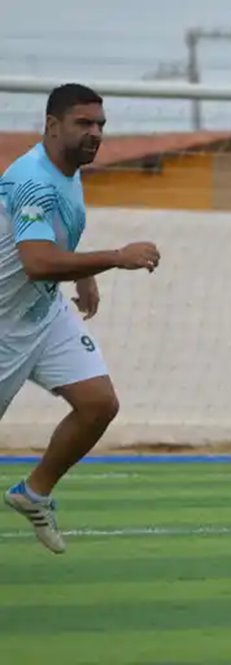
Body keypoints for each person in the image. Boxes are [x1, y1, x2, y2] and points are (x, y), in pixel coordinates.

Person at [1, 83, 161, 554]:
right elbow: (35, 262)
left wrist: (81, 274)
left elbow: (51, 245)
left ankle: (34, 493)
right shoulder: (32, 178)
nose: (95, 134)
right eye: (83, 124)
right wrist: (114, 257)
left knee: (99, 403)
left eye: (100, 125)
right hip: (5, 325)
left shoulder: (67, 169)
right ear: (52, 126)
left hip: (43, 314)